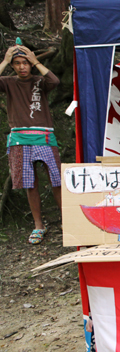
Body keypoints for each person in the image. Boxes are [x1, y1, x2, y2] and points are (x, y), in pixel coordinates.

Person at [0, 45, 62, 244]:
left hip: (44, 135)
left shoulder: (39, 81)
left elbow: (55, 81)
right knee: (29, 182)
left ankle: (67, 219)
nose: (22, 67)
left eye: (25, 63)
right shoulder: (8, 82)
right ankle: (38, 225)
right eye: (17, 63)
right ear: (13, 66)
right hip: (19, 138)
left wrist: (36, 61)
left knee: (56, 178)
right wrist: (5, 60)